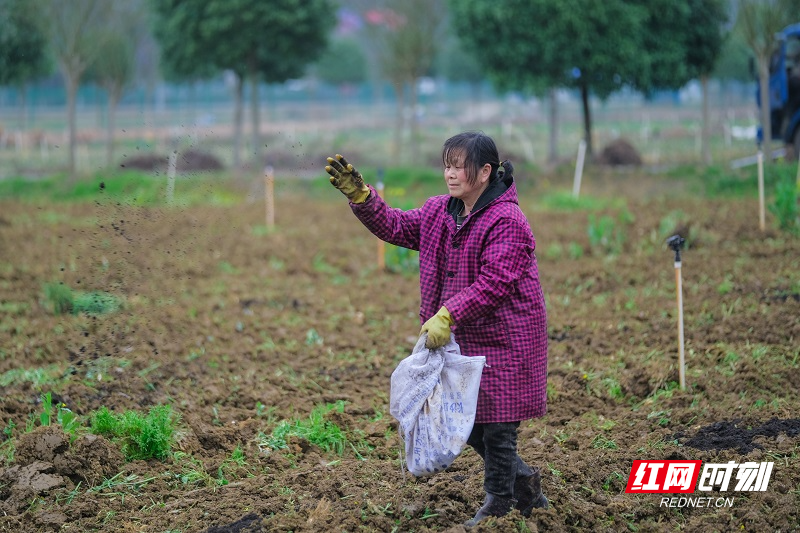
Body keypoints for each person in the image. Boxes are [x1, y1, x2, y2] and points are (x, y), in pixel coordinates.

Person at [325, 131, 549, 526]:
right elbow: (396, 226)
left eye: (459, 165)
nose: (450, 173)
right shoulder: (439, 213)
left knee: (497, 426)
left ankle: (497, 504)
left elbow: (495, 282)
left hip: (507, 336)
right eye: (446, 164)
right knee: (471, 420)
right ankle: (525, 484)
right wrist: (363, 198)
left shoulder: (507, 220)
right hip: (464, 336)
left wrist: (447, 314)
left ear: (485, 171)